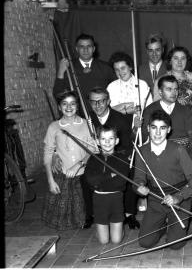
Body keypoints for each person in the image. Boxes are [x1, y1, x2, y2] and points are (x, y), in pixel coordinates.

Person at [133, 110, 192, 249]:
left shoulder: (178, 149)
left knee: (175, 245)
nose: (158, 133)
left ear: (169, 130)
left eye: (162, 128)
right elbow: (138, 179)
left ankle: (174, 226)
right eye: (154, 127)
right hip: (156, 198)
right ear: (148, 128)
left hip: (179, 198)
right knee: (145, 242)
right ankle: (162, 225)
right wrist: (139, 186)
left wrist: (179, 197)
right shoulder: (141, 151)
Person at [42, 91, 96, 230]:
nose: (69, 107)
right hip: (63, 174)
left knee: (84, 215)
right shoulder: (53, 126)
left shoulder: (86, 124)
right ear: (59, 107)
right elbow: (48, 154)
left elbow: (94, 150)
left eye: (72, 103)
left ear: (77, 106)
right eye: (64, 104)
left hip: (83, 173)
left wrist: (79, 164)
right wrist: (50, 180)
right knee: (59, 218)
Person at [88, 87, 140, 230]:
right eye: (93, 102)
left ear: (108, 101)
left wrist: (125, 160)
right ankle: (92, 214)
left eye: (101, 101)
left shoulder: (120, 119)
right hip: (97, 156)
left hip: (119, 155)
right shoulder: (88, 118)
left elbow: (128, 143)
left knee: (129, 175)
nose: (97, 106)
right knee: (89, 177)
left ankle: (129, 214)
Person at [85, 125, 129, 244]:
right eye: (103, 139)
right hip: (99, 200)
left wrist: (100, 181)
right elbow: (90, 180)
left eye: (111, 139)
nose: (107, 142)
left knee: (116, 240)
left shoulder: (123, 159)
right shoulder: (93, 159)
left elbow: (120, 182)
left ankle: (119, 230)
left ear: (117, 141)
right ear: (98, 141)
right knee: (103, 241)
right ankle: (100, 231)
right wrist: (109, 175)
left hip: (116, 199)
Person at [142, 75, 192, 160]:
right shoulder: (149, 110)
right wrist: (137, 128)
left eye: (176, 89)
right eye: (169, 89)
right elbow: (141, 138)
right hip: (157, 156)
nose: (174, 93)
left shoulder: (186, 110)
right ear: (160, 92)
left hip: (182, 155)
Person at [53, 33, 116, 101]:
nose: (85, 49)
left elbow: (117, 90)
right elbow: (57, 94)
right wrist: (60, 72)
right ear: (77, 49)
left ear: (93, 49)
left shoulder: (106, 67)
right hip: (78, 110)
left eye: (89, 46)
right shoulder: (67, 67)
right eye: (81, 46)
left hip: (102, 110)